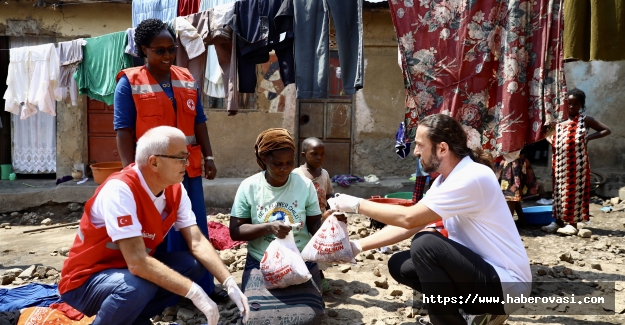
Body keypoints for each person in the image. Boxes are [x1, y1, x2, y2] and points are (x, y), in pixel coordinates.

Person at [329, 114, 531, 325]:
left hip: (507, 285)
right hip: (484, 277)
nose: (416, 152)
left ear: (442, 149)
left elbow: (409, 218)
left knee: (425, 244)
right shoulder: (445, 180)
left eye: (419, 145)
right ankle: (475, 313)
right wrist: (357, 246)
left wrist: (355, 204)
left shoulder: (472, 176)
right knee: (401, 264)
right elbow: (413, 222)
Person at [58, 126, 249, 325]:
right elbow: (138, 262)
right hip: (85, 281)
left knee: (193, 265)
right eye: (181, 158)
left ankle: (133, 318)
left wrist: (228, 283)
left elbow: (198, 241)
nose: (188, 162)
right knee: (137, 287)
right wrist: (195, 292)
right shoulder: (120, 190)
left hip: (126, 272)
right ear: (154, 162)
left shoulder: (175, 189)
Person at [113, 18, 225, 301]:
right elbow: (123, 130)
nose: (166, 56)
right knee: (159, 231)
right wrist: (130, 173)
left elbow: (199, 121)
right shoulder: (129, 84)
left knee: (194, 227)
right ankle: (166, 294)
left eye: (171, 49)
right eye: (159, 50)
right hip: (152, 173)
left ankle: (206, 289)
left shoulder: (186, 78)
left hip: (188, 168)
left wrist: (209, 155)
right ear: (143, 50)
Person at [229, 128, 327, 324]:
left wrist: (330, 223)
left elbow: (315, 226)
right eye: (277, 164)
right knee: (255, 319)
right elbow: (235, 231)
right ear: (264, 159)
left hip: (300, 260)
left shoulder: (305, 185)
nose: (284, 169)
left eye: (289, 163)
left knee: (311, 317)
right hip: (260, 261)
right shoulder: (249, 187)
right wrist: (268, 227)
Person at [543, 88, 611, 235]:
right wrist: (552, 141)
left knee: (574, 192)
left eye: (575, 104)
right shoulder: (559, 121)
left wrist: (588, 138)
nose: (572, 107)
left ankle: (572, 224)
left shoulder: (585, 120)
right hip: (559, 163)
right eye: (569, 104)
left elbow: (606, 130)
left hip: (577, 164)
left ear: (581, 104)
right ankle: (558, 222)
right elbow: (547, 133)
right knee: (558, 192)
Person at [293, 137, 336, 293]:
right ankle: (302, 275)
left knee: (319, 249)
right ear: (304, 155)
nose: (319, 158)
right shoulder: (296, 175)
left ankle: (319, 276)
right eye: (314, 154)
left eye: (322, 154)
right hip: (303, 220)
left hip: (320, 220)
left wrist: (335, 205)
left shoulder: (324, 173)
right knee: (304, 248)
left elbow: (329, 193)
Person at [494, 150, 539, 227]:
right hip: (512, 158)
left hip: (512, 160)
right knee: (514, 194)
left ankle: (507, 227)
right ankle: (521, 219)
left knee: (510, 195)